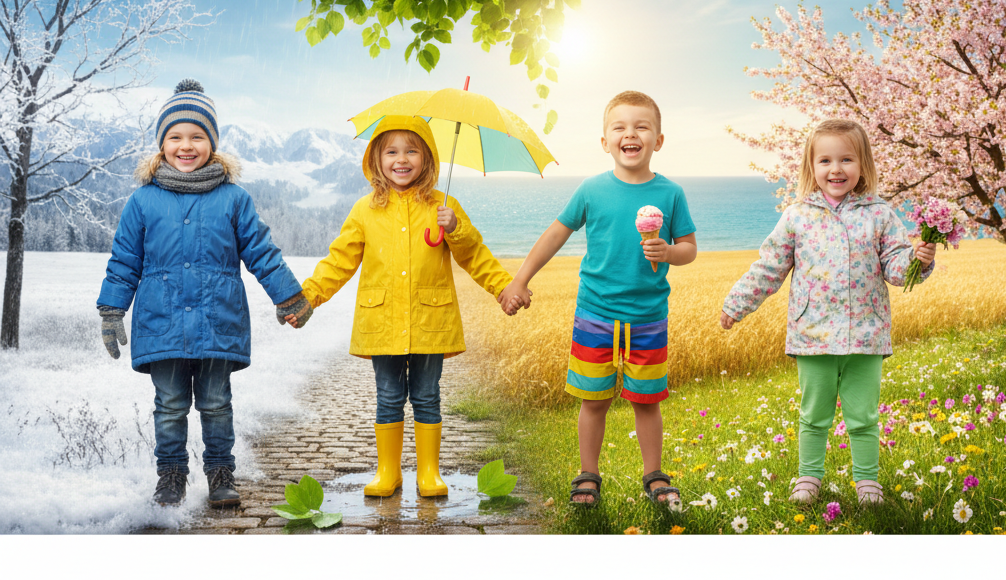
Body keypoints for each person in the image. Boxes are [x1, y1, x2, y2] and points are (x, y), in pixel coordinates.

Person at [96, 79, 307, 507]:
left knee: (216, 404)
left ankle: (220, 475)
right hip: (162, 323)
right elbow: (124, 261)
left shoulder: (233, 198)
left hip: (217, 321)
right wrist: (112, 309)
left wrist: (289, 297)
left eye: (197, 136)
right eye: (175, 137)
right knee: (170, 406)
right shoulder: (143, 202)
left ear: (212, 142)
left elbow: (261, 251)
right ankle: (171, 476)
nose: (186, 145)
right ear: (162, 144)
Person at [283, 115, 517, 498]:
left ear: (427, 158)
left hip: (431, 319)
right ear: (376, 159)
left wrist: (496, 278)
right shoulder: (365, 210)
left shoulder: (444, 206)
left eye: (412, 150)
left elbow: (474, 255)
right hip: (383, 320)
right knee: (388, 395)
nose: (401, 159)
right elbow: (339, 260)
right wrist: (309, 296)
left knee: (427, 394)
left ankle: (429, 472)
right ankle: (388, 472)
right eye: (391, 151)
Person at [720, 118, 937, 506]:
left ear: (863, 165)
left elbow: (895, 268)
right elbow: (769, 267)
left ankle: (867, 481)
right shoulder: (796, 216)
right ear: (811, 166)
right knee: (814, 416)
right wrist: (736, 305)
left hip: (866, 336)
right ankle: (809, 478)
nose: (836, 169)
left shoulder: (880, 214)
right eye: (825, 161)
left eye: (846, 160)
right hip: (813, 335)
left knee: (863, 417)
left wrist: (918, 261)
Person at [500, 91, 697, 506]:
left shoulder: (671, 193)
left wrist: (669, 252)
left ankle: (654, 475)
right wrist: (520, 279)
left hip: (647, 316)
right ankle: (588, 474)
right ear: (605, 141)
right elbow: (556, 234)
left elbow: (689, 248)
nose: (631, 134)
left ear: (658, 140)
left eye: (642, 126)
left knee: (647, 401)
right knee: (594, 399)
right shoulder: (591, 189)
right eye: (620, 127)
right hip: (595, 313)